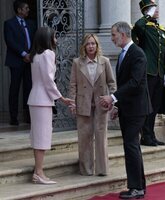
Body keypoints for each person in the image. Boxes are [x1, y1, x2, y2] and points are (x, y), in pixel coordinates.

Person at [100, 21, 152, 199]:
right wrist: (118, 106)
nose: (112, 38)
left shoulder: (137, 53)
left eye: (113, 34)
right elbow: (125, 83)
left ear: (123, 34)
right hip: (128, 108)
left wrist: (112, 97)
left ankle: (136, 188)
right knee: (132, 147)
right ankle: (139, 186)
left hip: (137, 109)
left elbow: (135, 83)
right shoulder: (125, 53)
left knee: (131, 146)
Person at [28, 27, 73, 184]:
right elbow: (48, 81)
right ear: (48, 38)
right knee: (42, 137)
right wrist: (61, 98)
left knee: (38, 136)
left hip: (35, 99)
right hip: (42, 100)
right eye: (54, 37)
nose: (57, 40)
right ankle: (39, 172)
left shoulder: (35, 56)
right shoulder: (48, 54)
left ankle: (37, 171)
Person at [69, 33, 116, 176]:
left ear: (97, 45)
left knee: (101, 137)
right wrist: (72, 103)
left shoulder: (105, 61)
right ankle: (86, 169)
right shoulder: (77, 62)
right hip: (83, 104)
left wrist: (112, 100)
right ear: (84, 46)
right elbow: (72, 85)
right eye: (88, 44)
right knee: (84, 137)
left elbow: (112, 83)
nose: (91, 46)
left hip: (101, 104)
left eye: (93, 43)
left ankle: (102, 169)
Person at [132, 0, 165, 146]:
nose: (157, 11)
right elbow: (137, 26)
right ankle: (145, 135)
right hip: (148, 72)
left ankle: (151, 134)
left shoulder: (159, 29)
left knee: (155, 106)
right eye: (153, 8)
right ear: (146, 10)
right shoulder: (144, 27)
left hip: (159, 73)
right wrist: (147, 16)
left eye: (155, 8)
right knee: (147, 105)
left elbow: (163, 54)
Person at [4, 0, 36, 125]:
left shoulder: (31, 23)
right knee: (15, 89)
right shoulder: (9, 24)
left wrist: (31, 55)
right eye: (26, 8)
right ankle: (13, 117)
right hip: (16, 61)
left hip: (30, 61)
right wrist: (23, 54)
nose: (28, 10)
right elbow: (10, 41)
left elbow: (35, 40)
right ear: (19, 10)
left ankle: (29, 116)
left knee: (29, 88)